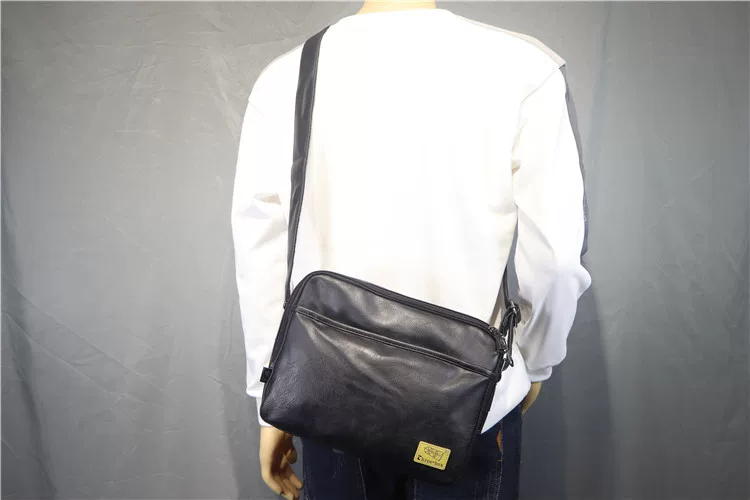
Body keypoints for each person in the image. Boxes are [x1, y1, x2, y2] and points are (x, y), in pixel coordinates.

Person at [230, 1, 591, 498]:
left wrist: (268, 394)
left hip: (327, 393)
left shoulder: (284, 78)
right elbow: (557, 260)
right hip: (468, 404)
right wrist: (535, 360)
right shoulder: (526, 68)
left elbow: (261, 255)